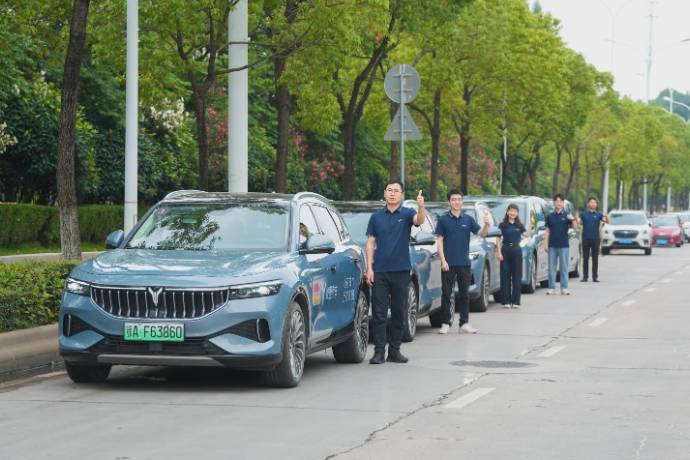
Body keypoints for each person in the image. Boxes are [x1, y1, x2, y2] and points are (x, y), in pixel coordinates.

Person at [366, 180, 426, 364]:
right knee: (379, 314)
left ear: (401, 195)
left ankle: (395, 350)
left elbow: (419, 221)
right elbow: (370, 242)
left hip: (401, 270)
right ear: (384, 193)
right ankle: (378, 352)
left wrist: (421, 206)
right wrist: (369, 268)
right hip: (380, 271)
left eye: (396, 191)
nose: (392, 194)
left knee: (400, 311)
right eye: (389, 190)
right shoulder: (376, 217)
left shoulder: (407, 214)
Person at [435, 189, 490, 334]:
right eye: (453, 199)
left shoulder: (468, 219)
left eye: (459, 199)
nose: (456, 202)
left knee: (465, 295)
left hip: (464, 263)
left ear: (462, 202)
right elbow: (439, 241)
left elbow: (482, 234)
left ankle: (464, 323)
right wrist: (443, 260)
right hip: (448, 263)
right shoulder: (443, 220)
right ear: (449, 202)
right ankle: (445, 323)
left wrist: (486, 224)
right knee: (447, 293)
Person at [497, 203, 531, 308]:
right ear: (507, 212)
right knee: (505, 275)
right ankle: (506, 301)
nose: (513, 213)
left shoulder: (519, 225)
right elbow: (498, 239)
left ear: (517, 213)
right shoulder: (502, 225)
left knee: (517, 276)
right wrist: (498, 252)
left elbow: (526, 235)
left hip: (516, 250)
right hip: (505, 250)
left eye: (515, 211)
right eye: (511, 211)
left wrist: (531, 226)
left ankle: (515, 301)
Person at [544, 193, 578, 295]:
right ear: (554, 203)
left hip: (564, 245)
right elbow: (547, 231)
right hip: (552, 245)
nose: (558, 203)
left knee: (564, 267)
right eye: (557, 201)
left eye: (560, 201)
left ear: (563, 203)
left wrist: (572, 219)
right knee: (551, 268)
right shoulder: (550, 216)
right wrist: (545, 243)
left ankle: (564, 287)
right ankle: (551, 287)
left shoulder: (567, 215)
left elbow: (575, 227)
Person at [577, 197, 608, 282]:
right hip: (586, 238)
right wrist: (576, 220)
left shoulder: (599, 214)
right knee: (585, 258)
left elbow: (606, 221)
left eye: (594, 202)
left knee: (595, 258)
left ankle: (595, 277)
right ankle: (585, 276)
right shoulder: (583, 214)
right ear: (588, 204)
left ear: (596, 205)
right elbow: (578, 222)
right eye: (591, 202)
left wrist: (606, 217)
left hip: (595, 239)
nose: (593, 204)